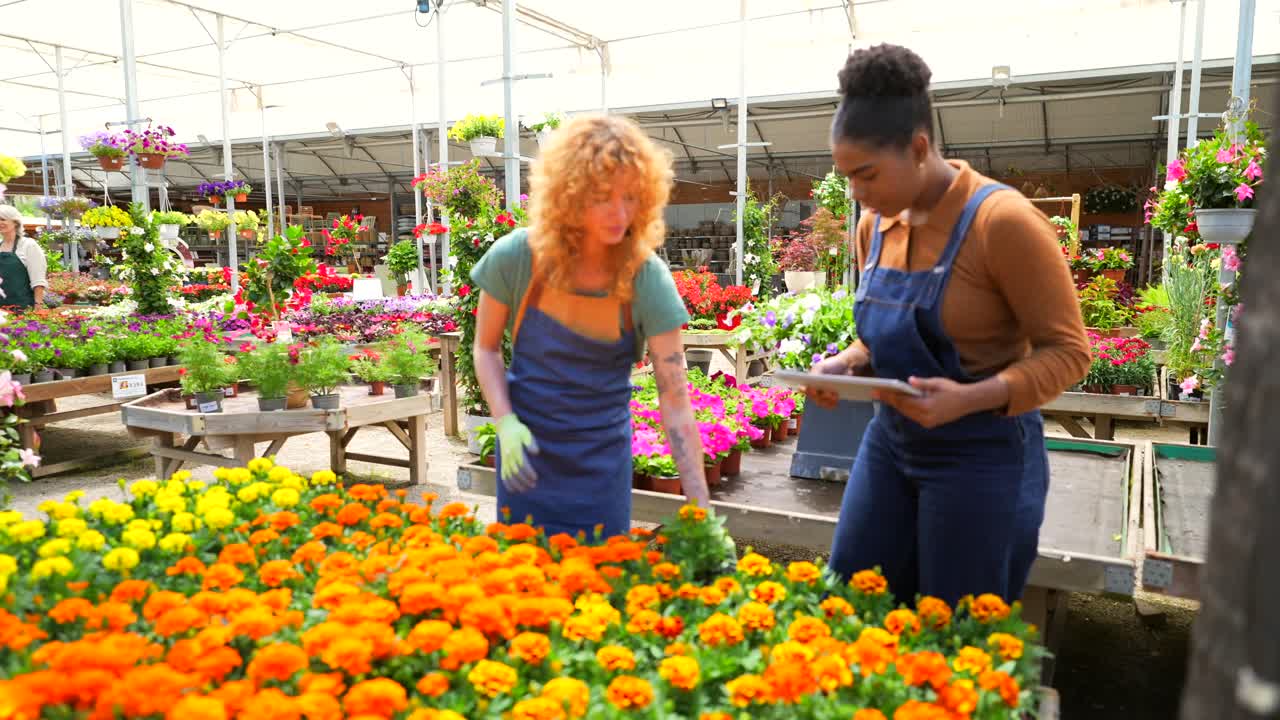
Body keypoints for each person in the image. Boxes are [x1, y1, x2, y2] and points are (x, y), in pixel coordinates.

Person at [810, 44, 1090, 606]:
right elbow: (882, 334)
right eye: (847, 178)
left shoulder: (1001, 222)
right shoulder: (875, 228)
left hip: (981, 453)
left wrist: (972, 398)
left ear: (918, 148)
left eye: (866, 174)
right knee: (852, 606)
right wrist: (849, 361)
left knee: (958, 631)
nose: (857, 194)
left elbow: (1069, 352)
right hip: (890, 443)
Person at [471, 114, 710, 540]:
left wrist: (702, 512)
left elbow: (675, 400)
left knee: (600, 592)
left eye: (631, 197)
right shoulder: (516, 258)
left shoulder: (645, 278)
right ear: (569, 194)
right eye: (602, 196)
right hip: (527, 462)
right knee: (523, 591)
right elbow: (485, 349)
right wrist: (504, 422)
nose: (620, 213)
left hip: (602, 469)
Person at [0, 205, 47, 309]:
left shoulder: (28, 245)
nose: (0, 223)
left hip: (22, 308)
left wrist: (38, 305)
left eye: (3, 219)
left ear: (15, 222)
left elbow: (38, 279)